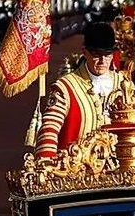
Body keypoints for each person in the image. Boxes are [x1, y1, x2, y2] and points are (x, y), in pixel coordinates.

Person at [35, 22, 126, 159]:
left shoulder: (124, 85)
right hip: (77, 172)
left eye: (107, 55)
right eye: (97, 54)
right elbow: (49, 130)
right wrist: (47, 165)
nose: (102, 61)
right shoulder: (65, 87)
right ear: (85, 52)